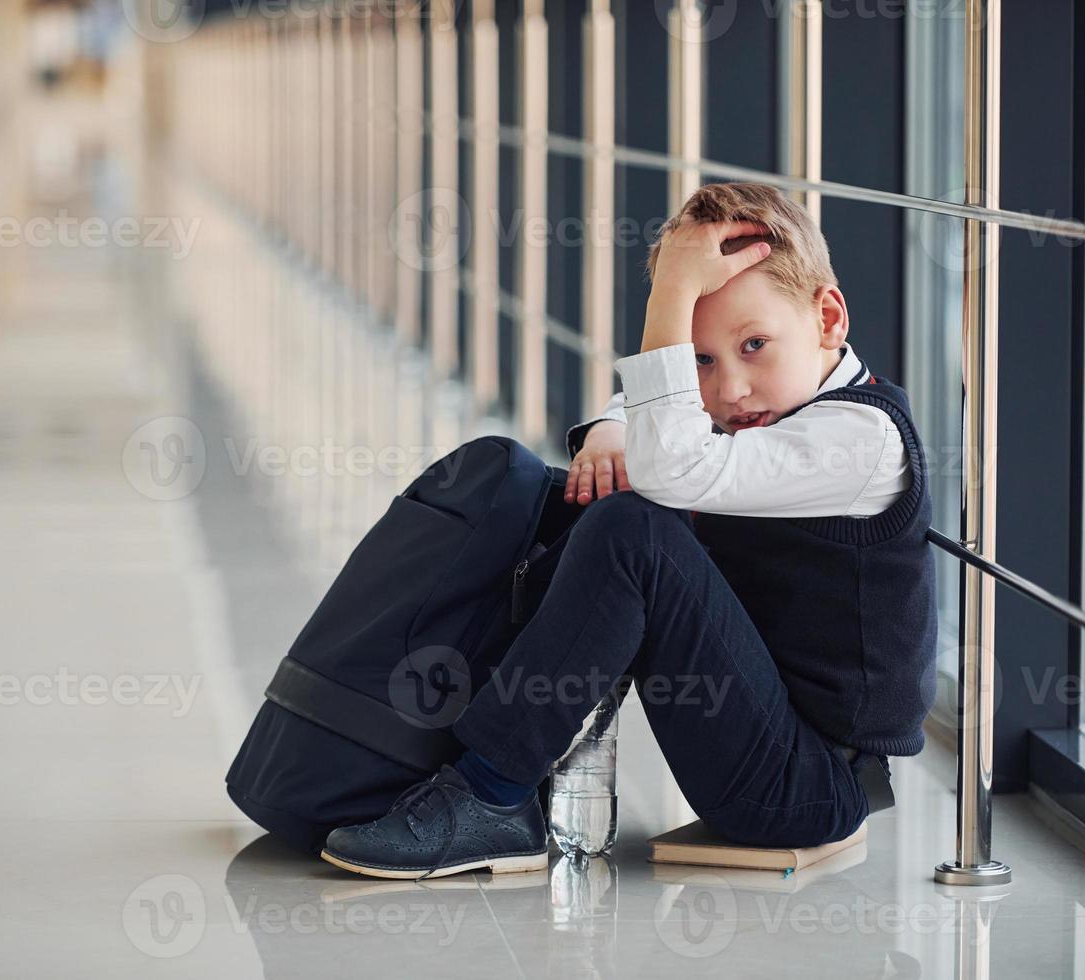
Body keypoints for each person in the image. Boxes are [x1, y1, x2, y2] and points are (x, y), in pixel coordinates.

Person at [319, 182, 938, 880]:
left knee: (634, 530)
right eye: (701, 359)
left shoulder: (859, 438)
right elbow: (659, 418)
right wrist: (615, 425)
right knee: (592, 507)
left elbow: (673, 466)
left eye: (754, 346)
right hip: (768, 734)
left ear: (828, 317)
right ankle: (428, 753)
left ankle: (491, 792)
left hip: (805, 787)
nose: (729, 389)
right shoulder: (770, 403)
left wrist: (668, 293)